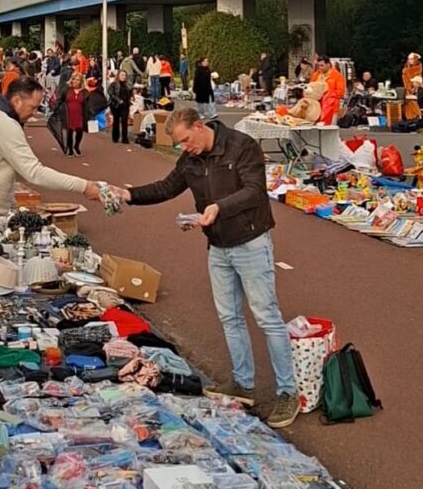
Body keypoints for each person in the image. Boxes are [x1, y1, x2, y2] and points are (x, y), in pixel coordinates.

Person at [120, 105, 299, 427]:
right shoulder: (191, 158)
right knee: (230, 316)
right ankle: (242, 383)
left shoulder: (242, 145)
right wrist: (128, 194)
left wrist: (218, 207)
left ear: (200, 126)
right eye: (179, 146)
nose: (183, 149)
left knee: (266, 316)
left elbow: (255, 191)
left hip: (250, 240)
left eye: (186, 141)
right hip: (218, 244)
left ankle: (289, 392)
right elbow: (166, 187)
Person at [0, 77, 115, 405]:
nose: (34, 114)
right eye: (33, 107)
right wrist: (85, 186)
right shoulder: (3, 124)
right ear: (17, 100)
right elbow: (33, 172)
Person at [63, 71, 88, 156]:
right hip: (68, 114)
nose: (75, 81)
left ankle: (76, 146)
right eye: (74, 79)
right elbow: (60, 99)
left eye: (77, 80)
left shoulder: (84, 92)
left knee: (80, 131)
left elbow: (88, 104)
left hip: (79, 115)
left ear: (81, 81)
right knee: (69, 132)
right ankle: (70, 149)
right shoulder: (67, 90)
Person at [317, 56, 346, 125]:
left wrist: (327, 95)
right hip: (317, 108)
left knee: (330, 130)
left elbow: (340, 92)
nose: (320, 68)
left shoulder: (337, 76)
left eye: (322, 65)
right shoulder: (316, 75)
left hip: (331, 108)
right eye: (318, 66)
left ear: (328, 64)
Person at [109, 68, 133, 143]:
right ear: (118, 75)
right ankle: (115, 137)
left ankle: (124, 138)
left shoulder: (128, 85)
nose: (123, 77)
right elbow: (110, 93)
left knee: (124, 121)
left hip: (125, 105)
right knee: (116, 121)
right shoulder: (114, 84)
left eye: (125, 75)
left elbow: (130, 93)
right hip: (116, 105)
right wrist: (118, 100)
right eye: (122, 75)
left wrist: (130, 99)